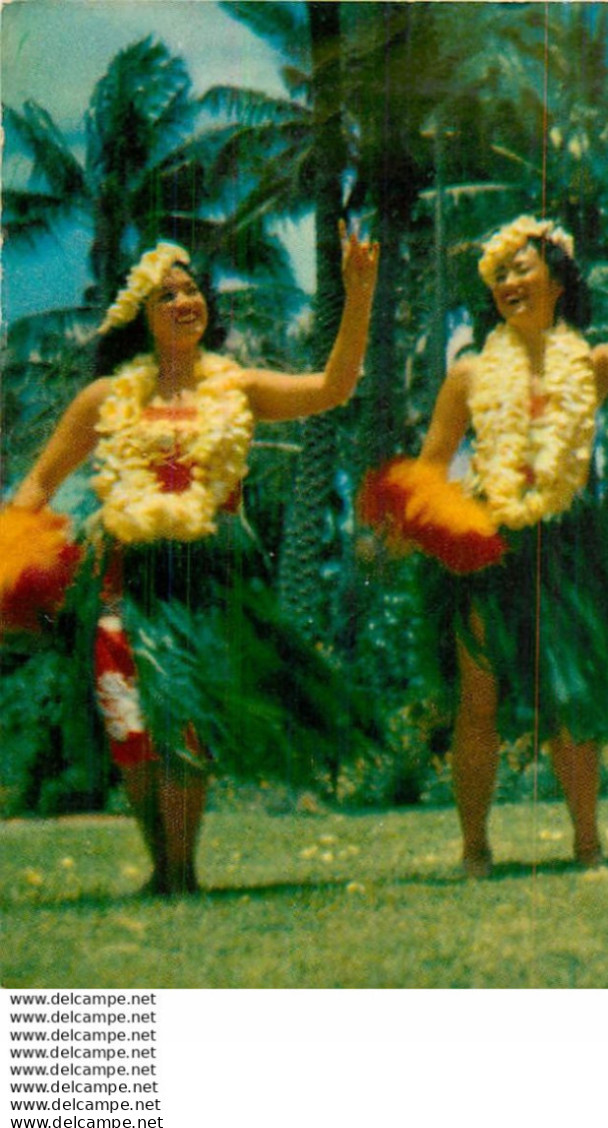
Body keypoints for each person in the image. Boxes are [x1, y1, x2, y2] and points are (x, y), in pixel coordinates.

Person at [6, 226, 380, 894]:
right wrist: (16, 551)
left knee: (185, 726)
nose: (184, 301)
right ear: (140, 318)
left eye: (191, 290)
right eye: (165, 295)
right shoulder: (104, 400)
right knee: (131, 728)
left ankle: (180, 872)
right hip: (125, 583)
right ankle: (164, 866)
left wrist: (358, 296)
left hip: (209, 584)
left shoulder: (236, 387)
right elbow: (38, 482)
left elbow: (333, 386)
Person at [416, 206, 608, 876]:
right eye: (499, 273)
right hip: (488, 547)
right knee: (477, 700)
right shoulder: (470, 372)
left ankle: (587, 845)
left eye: (522, 268)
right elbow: (432, 460)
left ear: (558, 279)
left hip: (567, 548)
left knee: (570, 697)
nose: (509, 280)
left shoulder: (591, 362)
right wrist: (444, 522)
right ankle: (474, 847)